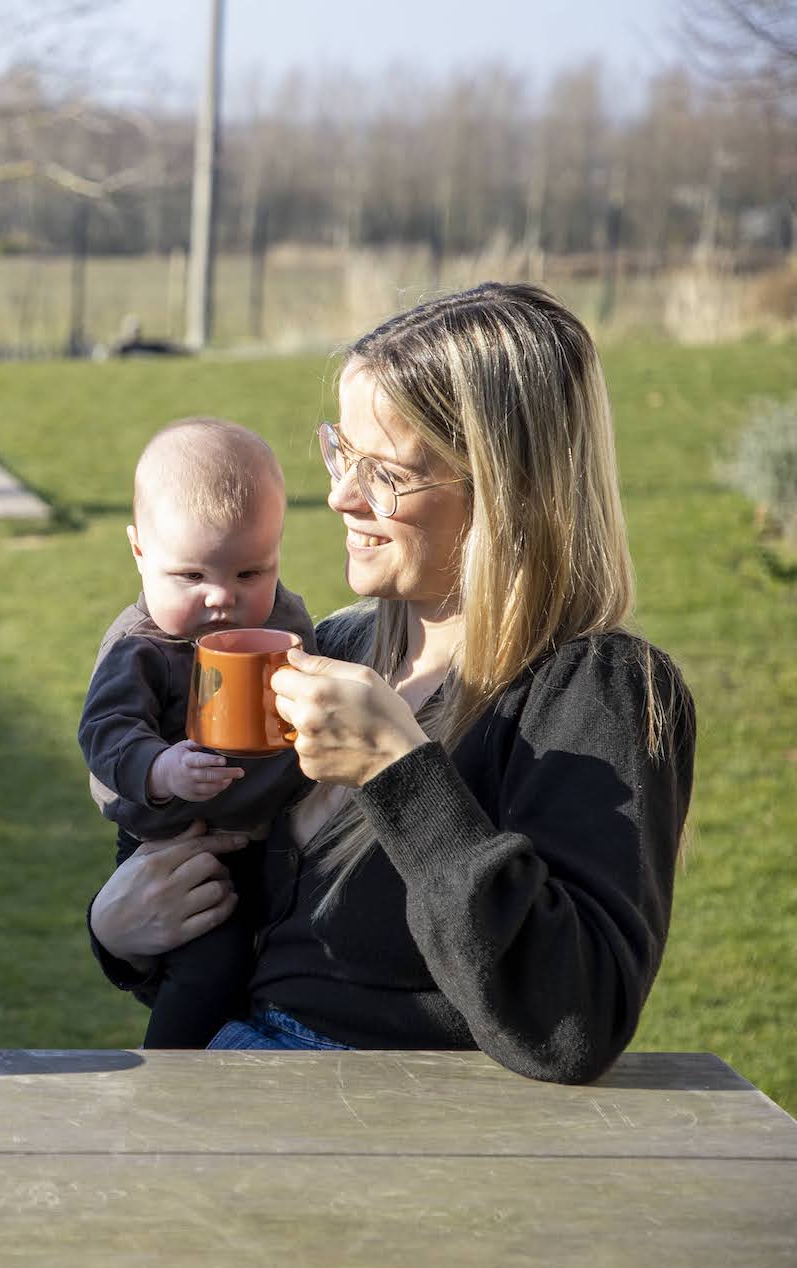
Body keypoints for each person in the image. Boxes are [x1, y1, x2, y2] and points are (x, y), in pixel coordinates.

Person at [88, 282, 695, 1084]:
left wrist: (398, 772)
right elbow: (236, 932)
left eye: (385, 473)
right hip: (226, 1090)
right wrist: (119, 929)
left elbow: (572, 1019)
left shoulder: (600, 691)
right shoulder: (327, 646)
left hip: (397, 1144)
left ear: (503, 490)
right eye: (341, 452)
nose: (340, 495)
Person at [77, 419, 314, 1047]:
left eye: (249, 573)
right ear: (139, 552)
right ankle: (169, 1075)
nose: (221, 598)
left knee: (267, 963)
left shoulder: (285, 621)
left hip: (267, 836)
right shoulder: (140, 648)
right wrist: (162, 770)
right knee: (210, 967)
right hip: (176, 844)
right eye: (191, 577)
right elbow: (105, 732)